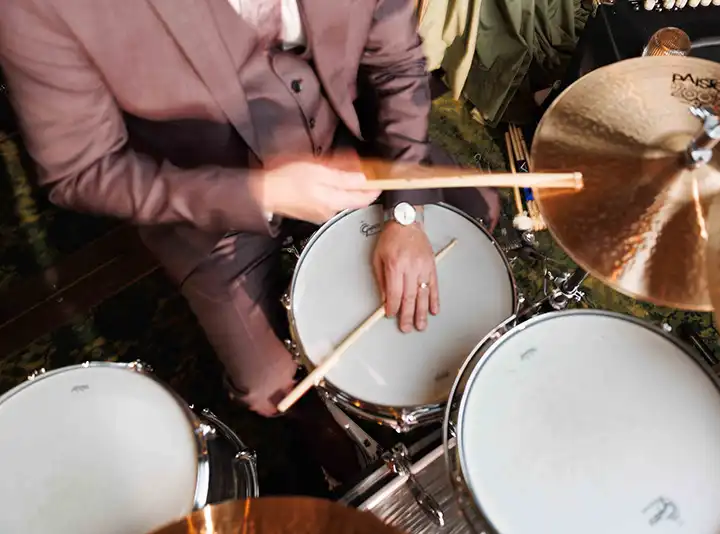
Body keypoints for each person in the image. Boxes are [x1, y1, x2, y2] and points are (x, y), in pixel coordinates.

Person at [0, 0, 498, 447]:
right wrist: (262, 192)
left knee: (480, 208)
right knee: (269, 388)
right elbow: (84, 171)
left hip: (347, 135)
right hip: (205, 192)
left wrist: (405, 212)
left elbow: (395, 63)